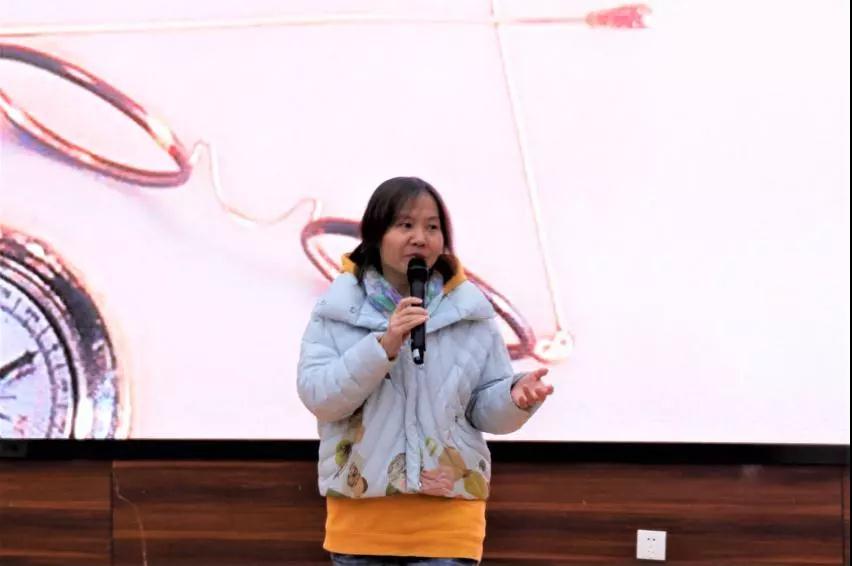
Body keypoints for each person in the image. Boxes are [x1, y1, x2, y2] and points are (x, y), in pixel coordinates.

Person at [297, 176, 554, 565]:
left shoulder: (470, 311)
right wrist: (383, 346)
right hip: (362, 523)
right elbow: (320, 397)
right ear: (375, 234)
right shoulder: (337, 309)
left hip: (448, 524)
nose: (420, 238)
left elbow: (483, 410)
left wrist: (514, 398)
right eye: (406, 225)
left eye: (432, 227)